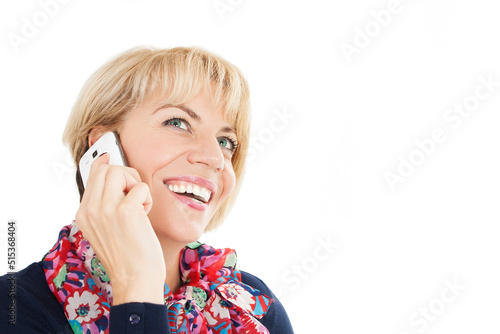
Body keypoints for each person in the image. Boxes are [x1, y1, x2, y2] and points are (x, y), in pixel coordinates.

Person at [0, 46, 294, 333]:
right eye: (178, 123)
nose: (215, 158)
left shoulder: (253, 307)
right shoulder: (13, 309)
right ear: (104, 149)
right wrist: (137, 285)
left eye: (225, 141)